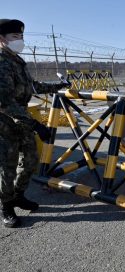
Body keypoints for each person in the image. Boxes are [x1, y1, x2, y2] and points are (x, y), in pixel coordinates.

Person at [0, 19, 68, 228]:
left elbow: (32, 86)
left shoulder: (17, 61)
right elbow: (4, 102)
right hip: (5, 124)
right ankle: (6, 206)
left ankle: (19, 195)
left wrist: (59, 85)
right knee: (7, 168)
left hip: (22, 122)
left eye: (21, 37)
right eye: (14, 37)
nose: (19, 40)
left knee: (30, 161)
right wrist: (36, 125)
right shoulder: (1, 63)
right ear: (2, 39)